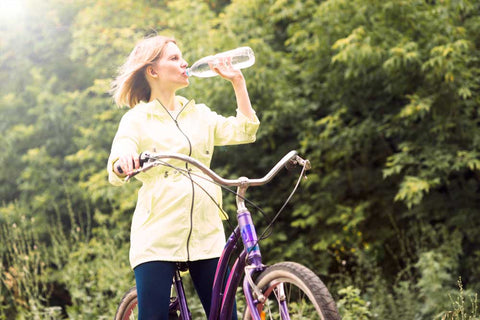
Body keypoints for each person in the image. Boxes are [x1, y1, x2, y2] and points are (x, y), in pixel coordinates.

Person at [107, 35, 260, 320]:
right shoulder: (137, 118)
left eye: (182, 57)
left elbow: (244, 130)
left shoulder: (199, 114)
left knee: (226, 317)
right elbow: (120, 154)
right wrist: (123, 162)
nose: (185, 63)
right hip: (157, 235)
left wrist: (238, 82)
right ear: (152, 71)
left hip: (207, 232)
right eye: (174, 58)